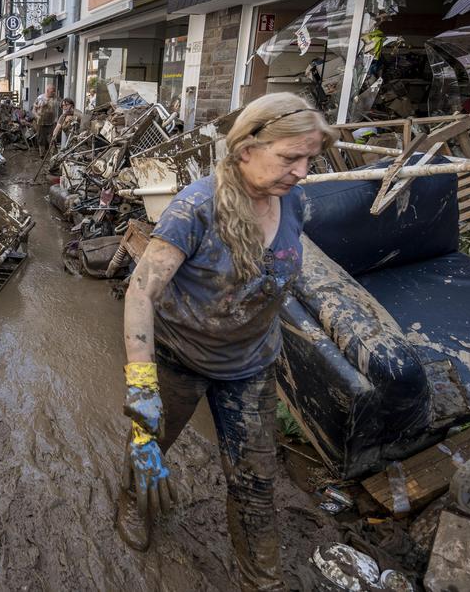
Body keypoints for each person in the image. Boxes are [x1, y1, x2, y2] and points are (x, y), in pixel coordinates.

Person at [118, 92, 333, 591]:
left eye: (308, 159)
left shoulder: (292, 200)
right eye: (289, 157)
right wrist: (141, 383)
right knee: (150, 440)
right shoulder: (193, 209)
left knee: (256, 483)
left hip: (251, 363)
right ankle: (133, 498)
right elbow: (141, 291)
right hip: (179, 357)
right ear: (245, 151)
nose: (301, 171)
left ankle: (261, 580)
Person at [32, 85, 60, 156]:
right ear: (47, 90)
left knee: (52, 139)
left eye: (54, 91)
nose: (53, 92)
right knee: (41, 139)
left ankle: (53, 155)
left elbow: (62, 104)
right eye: (52, 91)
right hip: (41, 122)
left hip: (51, 123)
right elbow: (34, 110)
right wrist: (37, 116)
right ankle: (42, 154)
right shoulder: (40, 98)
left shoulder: (55, 98)